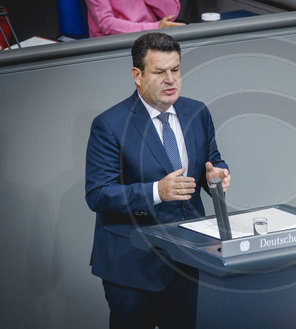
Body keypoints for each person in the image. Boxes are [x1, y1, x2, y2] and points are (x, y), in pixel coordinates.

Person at [85, 32, 230, 329]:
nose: (171, 80)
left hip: (189, 261)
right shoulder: (110, 126)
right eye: (160, 72)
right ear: (137, 75)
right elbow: (98, 194)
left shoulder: (197, 112)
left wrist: (216, 174)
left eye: (175, 70)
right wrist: (156, 191)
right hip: (133, 268)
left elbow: (211, 158)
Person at [86, 0, 185, 37]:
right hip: (114, 45)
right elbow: (105, 23)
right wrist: (155, 27)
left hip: (151, 38)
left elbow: (171, 13)